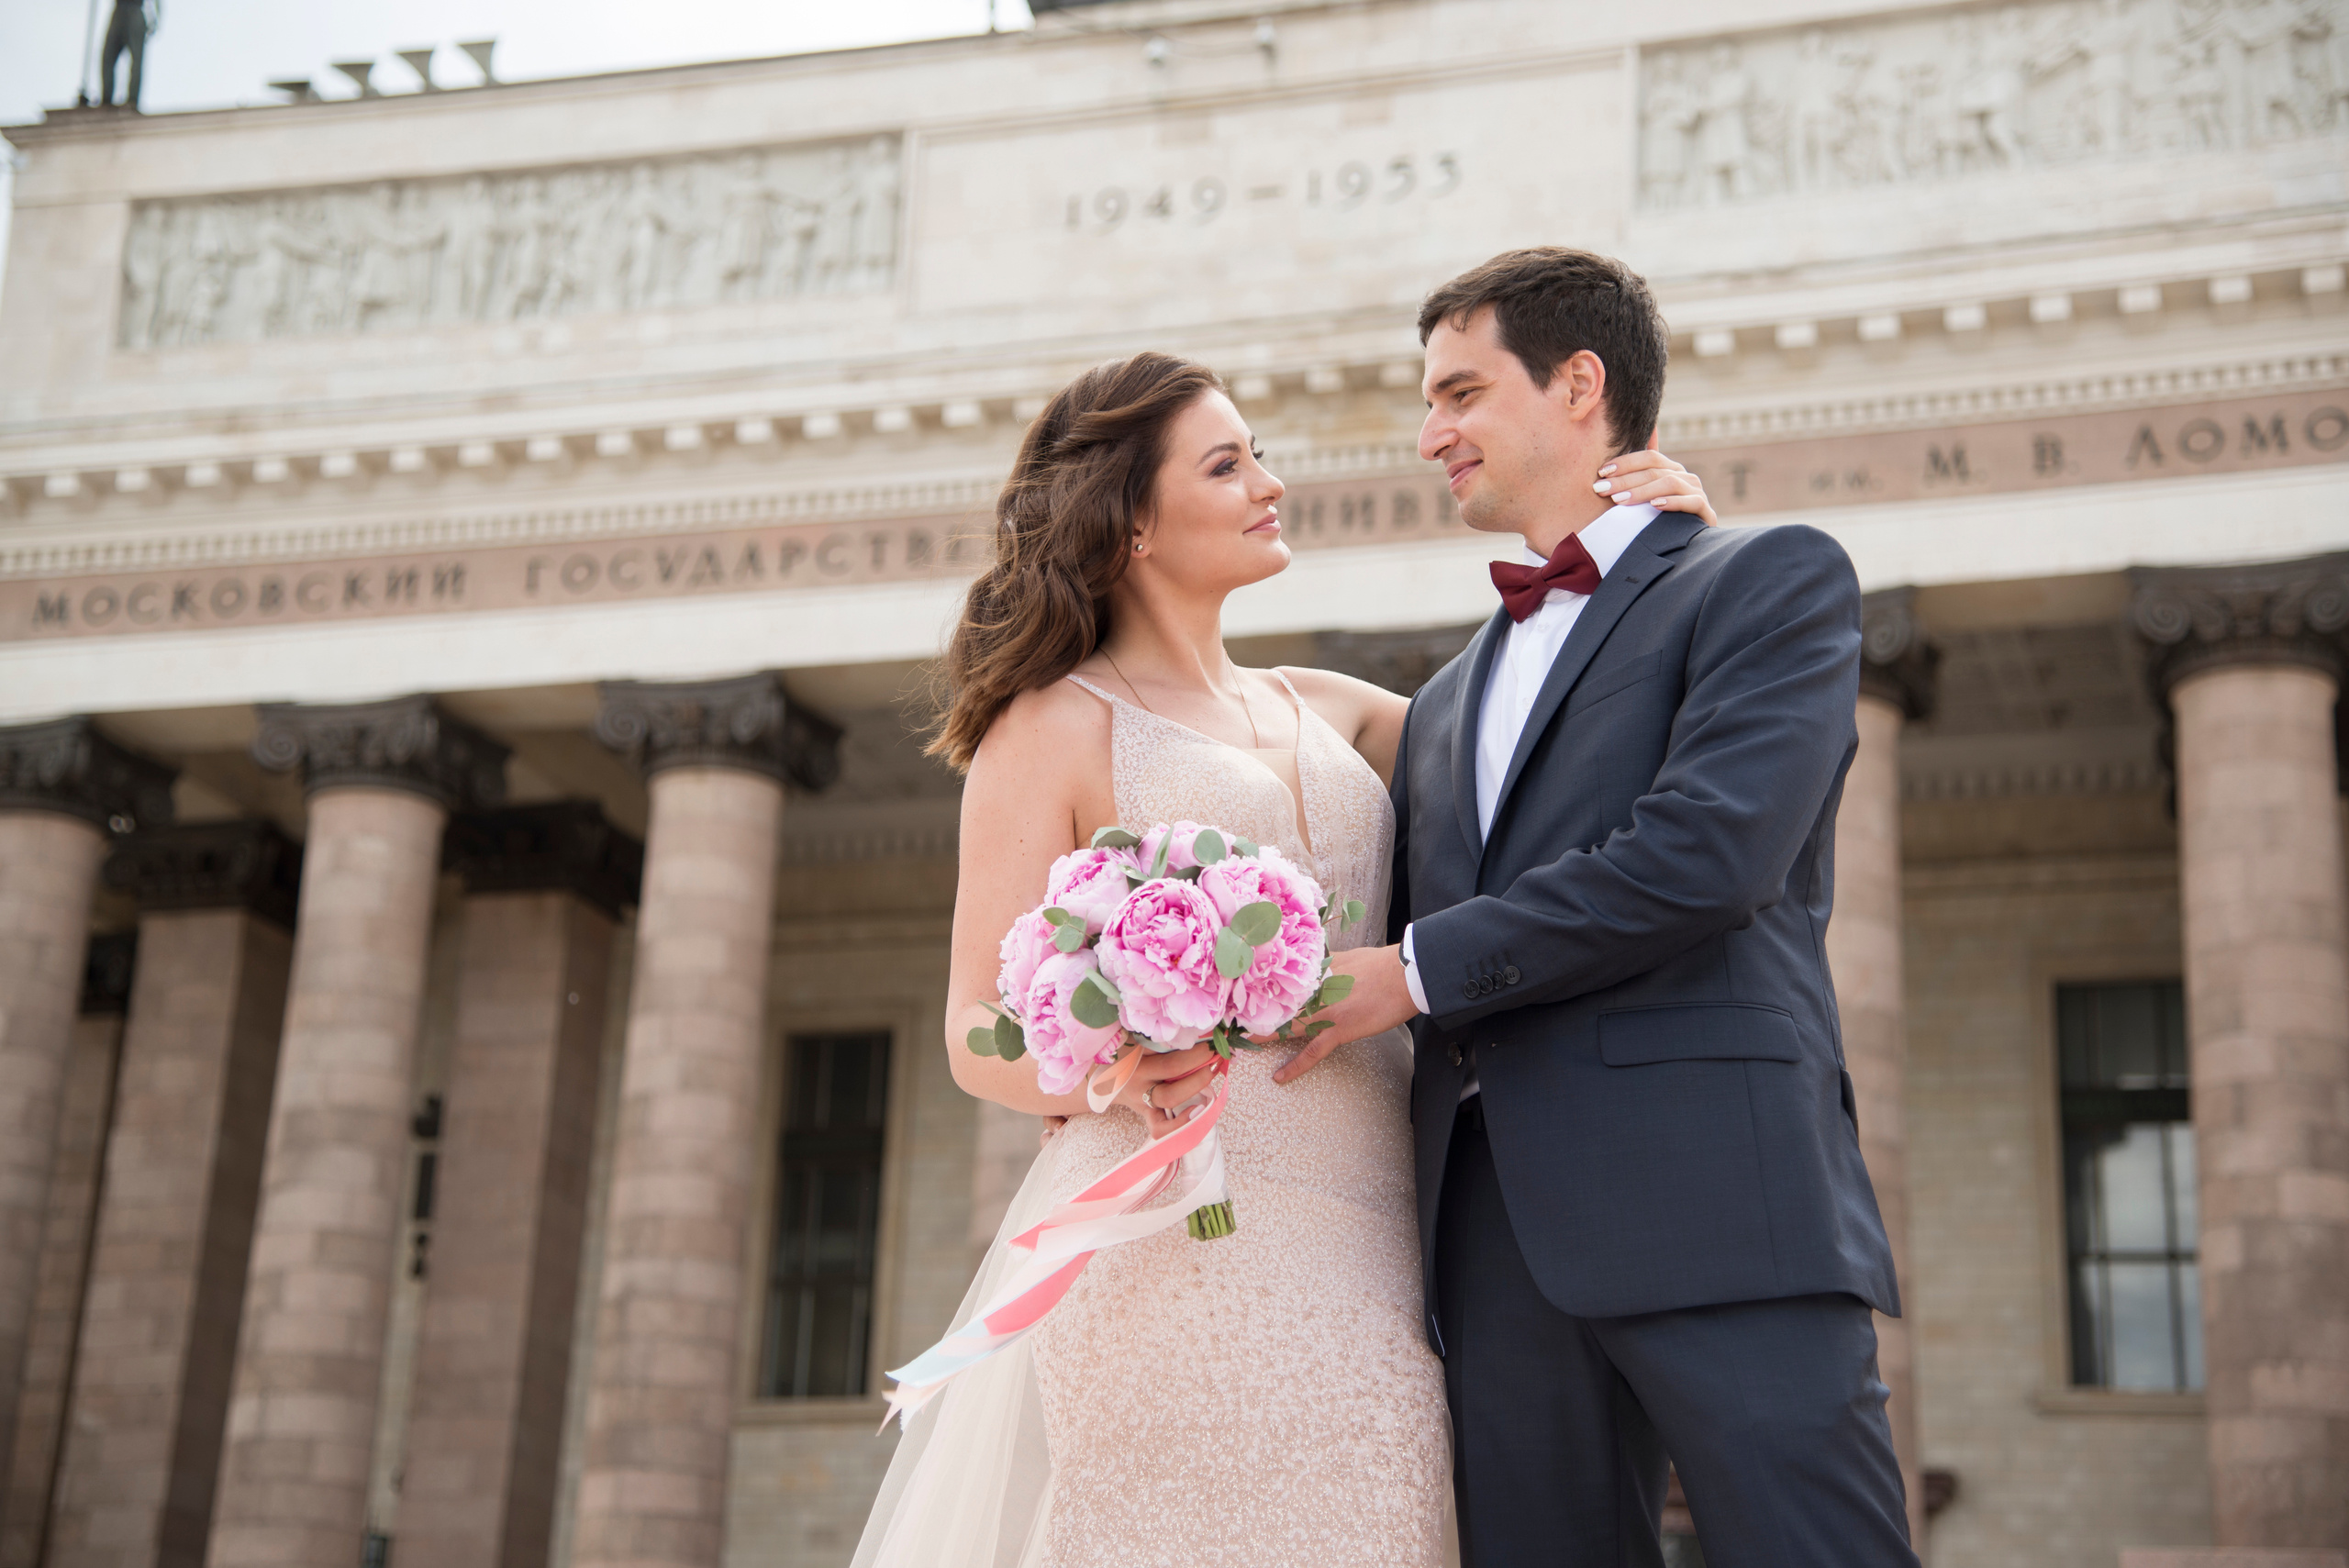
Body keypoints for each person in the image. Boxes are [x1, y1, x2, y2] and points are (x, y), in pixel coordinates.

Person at [853, 349, 1716, 1567]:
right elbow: (974, 1029)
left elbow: (1561, 742)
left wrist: (1658, 563)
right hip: (1177, 1238)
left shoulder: (1333, 706)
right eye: (1227, 462)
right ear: (1134, 522)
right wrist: (1111, 1070)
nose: (1269, 479)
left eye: (1257, 451)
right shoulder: (1047, 725)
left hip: (1375, 1237)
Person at [1291, 247, 1918, 1567]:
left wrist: (1405, 971)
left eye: (1460, 393)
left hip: (1724, 1207)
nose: (1429, 434)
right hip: (1491, 1245)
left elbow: (1706, 855)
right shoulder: (1450, 692)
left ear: (1581, 383)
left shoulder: (1766, 578)